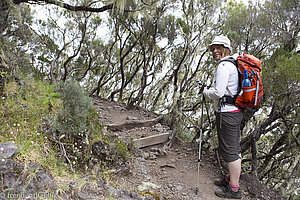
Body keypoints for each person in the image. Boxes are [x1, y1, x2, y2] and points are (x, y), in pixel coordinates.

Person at [199, 35, 244, 199]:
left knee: (231, 151)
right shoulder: (232, 64)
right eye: (213, 48)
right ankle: (230, 179)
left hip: (228, 114)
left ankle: (234, 189)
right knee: (233, 148)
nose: (215, 51)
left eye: (219, 48)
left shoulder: (225, 66)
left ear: (226, 48)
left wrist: (204, 90)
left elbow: (218, 92)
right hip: (234, 111)